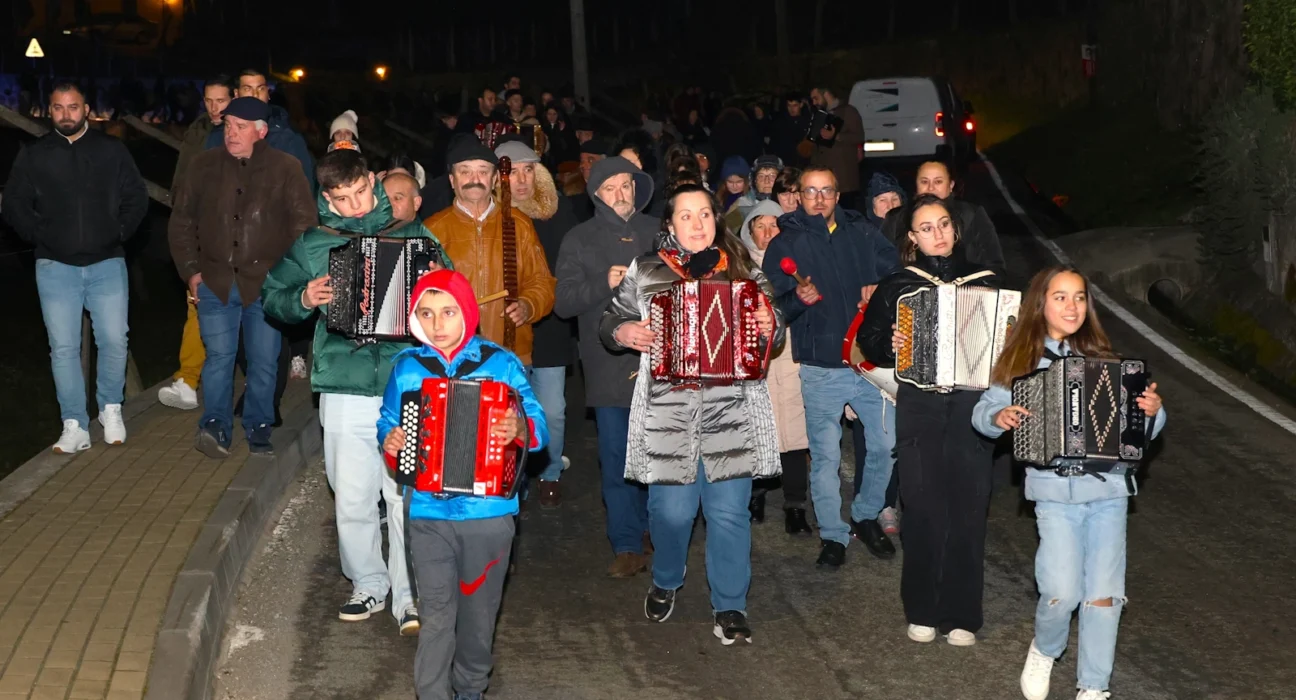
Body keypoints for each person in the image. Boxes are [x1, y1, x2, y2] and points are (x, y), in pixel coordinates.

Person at [262, 149, 449, 633]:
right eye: (342, 199)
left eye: (361, 192)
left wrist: (432, 294)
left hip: (407, 382)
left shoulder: (414, 234)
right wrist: (304, 297)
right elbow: (272, 296)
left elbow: (454, 297)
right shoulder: (313, 243)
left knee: (406, 493)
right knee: (351, 493)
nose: (356, 206)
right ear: (326, 197)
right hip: (343, 384)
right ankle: (368, 582)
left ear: (373, 180)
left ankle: (410, 595)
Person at [971, 266, 1165, 700]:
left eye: (1079, 297)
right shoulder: (1020, 362)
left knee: (1103, 596)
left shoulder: (1109, 360)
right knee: (1060, 591)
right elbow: (983, 412)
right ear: (1040, 304)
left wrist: (1152, 412)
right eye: (1060, 297)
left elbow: (1142, 426)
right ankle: (1046, 649)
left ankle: (1094, 687)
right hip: (1054, 493)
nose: (1071, 306)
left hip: (1108, 490)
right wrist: (996, 417)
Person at [601, 184, 782, 644]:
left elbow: (773, 336)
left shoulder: (742, 267)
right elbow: (609, 322)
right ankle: (666, 577)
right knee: (673, 512)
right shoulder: (646, 269)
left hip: (733, 404)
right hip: (667, 406)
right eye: (686, 216)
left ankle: (730, 605)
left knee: (728, 512)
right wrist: (624, 330)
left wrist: (770, 325)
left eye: (705, 214)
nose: (698, 224)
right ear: (669, 224)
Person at [378, 269, 547, 700]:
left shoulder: (501, 363)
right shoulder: (407, 368)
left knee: (476, 621)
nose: (438, 324)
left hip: (488, 517)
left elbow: (537, 420)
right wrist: (392, 440)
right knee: (435, 620)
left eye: (448, 312)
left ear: (468, 313)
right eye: (427, 314)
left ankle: (471, 690)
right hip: (428, 513)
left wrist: (521, 428)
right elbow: (388, 422)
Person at [856, 193, 1003, 646]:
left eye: (943, 224)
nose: (937, 234)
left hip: (971, 405)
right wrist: (892, 341)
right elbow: (869, 343)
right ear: (912, 239)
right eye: (926, 228)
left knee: (968, 508)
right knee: (921, 506)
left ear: (955, 230)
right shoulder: (899, 283)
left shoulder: (988, 282)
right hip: (919, 403)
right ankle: (921, 607)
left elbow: (1013, 348)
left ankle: (963, 615)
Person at [761, 166, 900, 568]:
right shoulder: (785, 244)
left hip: (869, 362)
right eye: (810, 192)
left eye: (827, 191)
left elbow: (897, 276)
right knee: (824, 457)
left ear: (838, 195)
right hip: (821, 365)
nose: (819, 199)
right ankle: (833, 535)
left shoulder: (863, 233)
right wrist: (798, 299)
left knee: (885, 445)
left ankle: (865, 515)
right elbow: (773, 309)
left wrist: (881, 289)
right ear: (800, 197)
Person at [2, 81, 148, 452]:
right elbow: (14, 200)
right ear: (49, 111)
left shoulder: (111, 150)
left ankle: (110, 409)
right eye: (57, 108)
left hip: (107, 262)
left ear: (86, 109)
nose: (65, 114)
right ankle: (73, 424)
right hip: (54, 266)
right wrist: (39, 235)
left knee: (115, 340)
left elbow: (136, 195)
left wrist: (118, 232)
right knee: (63, 348)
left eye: (73, 107)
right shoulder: (34, 154)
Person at [169, 96, 316, 457]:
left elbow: (304, 227)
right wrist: (191, 272)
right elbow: (182, 221)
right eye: (228, 125)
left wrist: (288, 277)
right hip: (215, 281)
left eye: (240, 127)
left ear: (261, 131)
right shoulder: (203, 166)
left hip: (267, 285)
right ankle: (215, 426)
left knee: (264, 360)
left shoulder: (286, 168)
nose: (231, 133)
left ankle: (258, 425)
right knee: (219, 357)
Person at [554, 156, 659, 577]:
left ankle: (657, 530)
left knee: (660, 452)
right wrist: (605, 282)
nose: (621, 194)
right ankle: (627, 542)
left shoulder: (658, 231)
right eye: (611, 187)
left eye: (627, 186)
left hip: (661, 362)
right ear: (597, 194)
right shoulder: (579, 239)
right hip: (608, 364)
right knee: (616, 457)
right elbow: (563, 303)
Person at [494, 139, 579, 507]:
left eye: (529, 170)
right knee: (509, 411)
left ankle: (550, 472)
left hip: (551, 327)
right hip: (509, 328)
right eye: (513, 171)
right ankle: (517, 478)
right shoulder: (493, 218)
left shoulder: (557, 213)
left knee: (553, 410)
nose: (522, 179)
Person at [422, 140, 556, 367]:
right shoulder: (432, 229)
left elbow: (542, 281)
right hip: (451, 354)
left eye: (483, 171)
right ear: (452, 181)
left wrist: (528, 305)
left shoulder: (519, 224)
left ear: (494, 179)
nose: (474, 179)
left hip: (511, 353)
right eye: (465, 172)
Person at [159, 74, 234, 411]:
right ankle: (188, 378)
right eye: (209, 100)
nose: (214, 107)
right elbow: (183, 175)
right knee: (197, 300)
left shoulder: (243, 131)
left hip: (237, 234)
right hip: (201, 230)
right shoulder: (198, 131)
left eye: (221, 100)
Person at [739, 199, 812, 535]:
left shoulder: (795, 262)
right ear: (748, 230)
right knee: (756, 426)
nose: (768, 233)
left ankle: (795, 504)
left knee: (795, 430)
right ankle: (755, 494)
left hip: (792, 353)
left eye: (774, 225)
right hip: (757, 358)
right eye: (759, 225)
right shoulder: (737, 266)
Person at [851, 168, 909, 535]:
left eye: (894, 200)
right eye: (881, 201)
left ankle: (894, 500)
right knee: (871, 434)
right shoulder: (861, 241)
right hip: (870, 351)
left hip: (907, 351)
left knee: (902, 433)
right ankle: (875, 503)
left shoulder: (913, 239)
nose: (888, 207)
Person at [204, 69, 315, 190]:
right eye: (247, 89)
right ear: (236, 94)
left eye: (260, 89)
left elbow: (303, 191)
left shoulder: (287, 137)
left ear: (268, 93)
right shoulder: (218, 136)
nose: (255, 95)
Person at [884, 160, 1005, 272]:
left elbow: (994, 264)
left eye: (938, 181)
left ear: (951, 185)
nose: (931, 188)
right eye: (924, 182)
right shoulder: (896, 218)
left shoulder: (971, 214)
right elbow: (882, 264)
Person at [808, 86, 865, 211]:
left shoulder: (848, 111)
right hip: (825, 178)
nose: (814, 102)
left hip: (844, 180)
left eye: (816, 98)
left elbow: (859, 136)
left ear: (826, 94)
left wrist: (836, 136)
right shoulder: (819, 114)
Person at [770, 93, 811, 168]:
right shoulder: (780, 122)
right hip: (785, 163)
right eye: (789, 105)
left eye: (795, 105)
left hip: (802, 163)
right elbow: (774, 143)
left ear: (801, 105)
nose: (792, 109)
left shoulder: (807, 122)